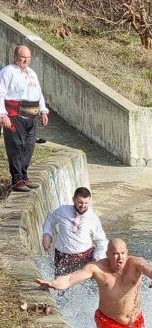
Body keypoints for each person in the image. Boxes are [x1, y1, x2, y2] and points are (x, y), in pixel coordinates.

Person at [34, 238, 152, 328]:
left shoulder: (136, 263)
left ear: (127, 252)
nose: (120, 258)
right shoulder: (96, 268)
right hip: (109, 321)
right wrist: (54, 283)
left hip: (135, 320)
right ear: (107, 254)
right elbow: (70, 278)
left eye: (123, 253)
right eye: (115, 254)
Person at [0, 45, 49, 192]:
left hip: (31, 117)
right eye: (23, 57)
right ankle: (17, 179)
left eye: (28, 57)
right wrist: (3, 114)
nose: (26, 60)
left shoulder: (32, 73)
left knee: (28, 147)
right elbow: (0, 93)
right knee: (16, 147)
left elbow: (39, 93)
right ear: (15, 57)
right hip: (14, 116)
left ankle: (24, 175)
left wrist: (43, 111)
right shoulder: (7, 72)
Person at [42, 187, 108, 275]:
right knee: (59, 282)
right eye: (80, 202)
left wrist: (96, 259)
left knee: (84, 283)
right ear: (73, 199)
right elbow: (50, 219)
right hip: (62, 257)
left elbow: (102, 241)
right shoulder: (63, 211)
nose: (83, 206)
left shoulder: (92, 218)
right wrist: (47, 234)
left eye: (86, 203)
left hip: (85, 258)